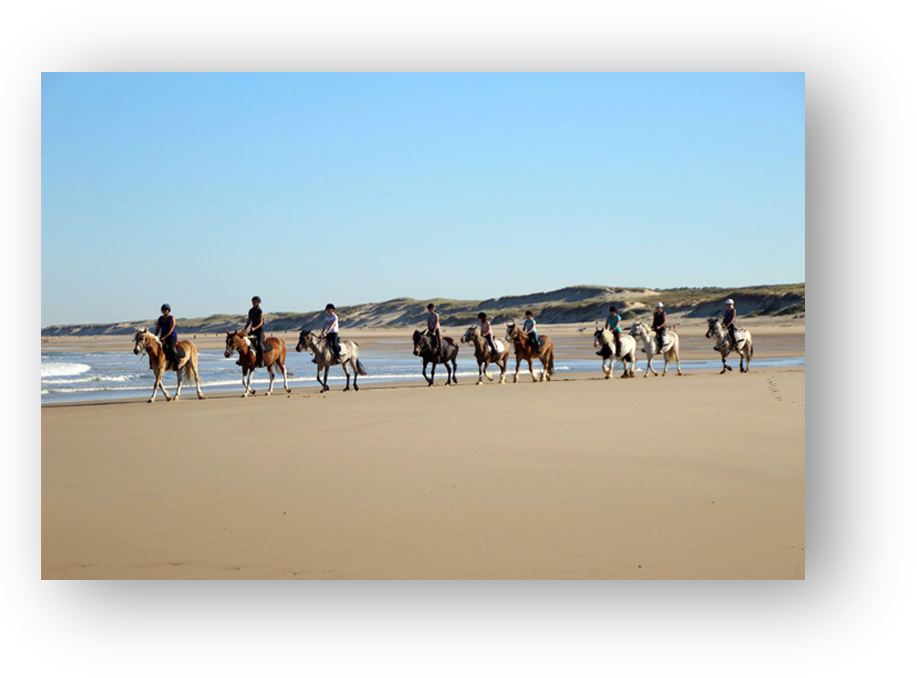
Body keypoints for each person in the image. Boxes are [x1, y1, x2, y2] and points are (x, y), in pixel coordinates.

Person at [243, 296, 266, 367]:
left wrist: (254, 328)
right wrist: (245, 328)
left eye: (255, 302)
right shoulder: (250, 311)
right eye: (252, 302)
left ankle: (261, 360)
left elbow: (261, 322)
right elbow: (249, 321)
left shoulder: (260, 311)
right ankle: (242, 358)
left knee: (259, 343)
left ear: (258, 303)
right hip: (253, 330)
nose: (253, 303)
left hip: (259, 330)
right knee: (243, 340)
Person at [157, 304, 179, 370]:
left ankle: (177, 362)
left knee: (171, 349)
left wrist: (164, 337)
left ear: (168, 310)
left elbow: (171, 329)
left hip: (172, 336)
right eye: (163, 310)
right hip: (162, 337)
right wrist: (155, 336)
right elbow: (158, 328)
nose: (164, 311)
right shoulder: (160, 319)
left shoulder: (171, 318)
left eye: (165, 310)